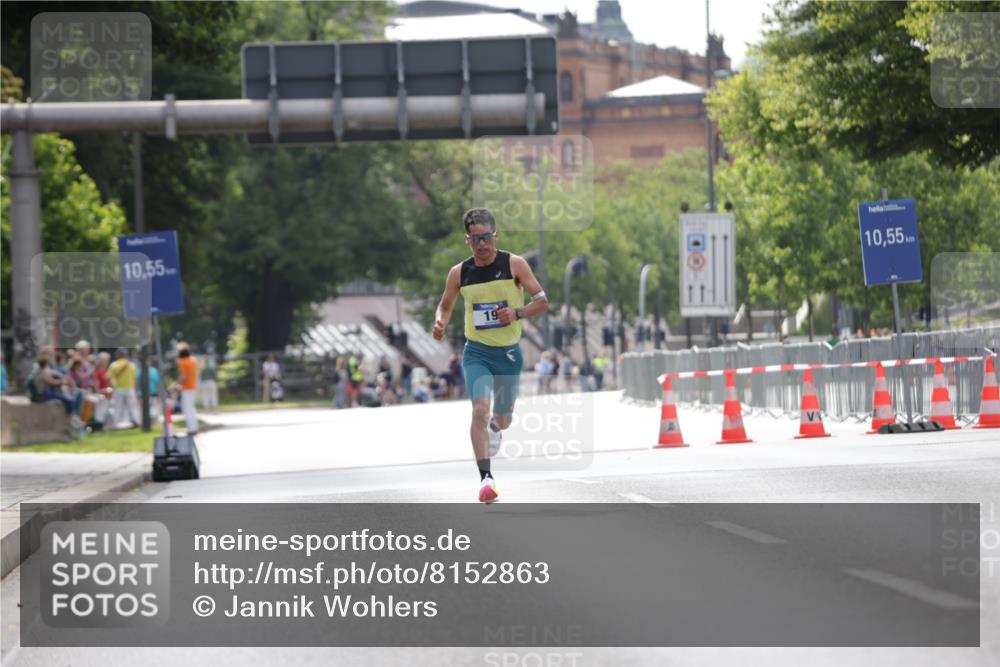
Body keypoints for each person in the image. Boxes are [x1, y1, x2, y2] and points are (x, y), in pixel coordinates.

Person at [432, 207, 549, 504]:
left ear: (495, 236)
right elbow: (445, 305)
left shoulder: (514, 265)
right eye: (475, 239)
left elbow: (542, 300)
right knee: (479, 410)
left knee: (503, 418)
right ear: (467, 240)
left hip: (508, 353)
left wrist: (517, 313)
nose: (482, 244)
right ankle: (486, 479)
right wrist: (440, 323)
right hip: (477, 352)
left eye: (486, 237)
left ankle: (498, 428)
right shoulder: (460, 273)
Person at [108, 348, 140, 428]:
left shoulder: (113, 365)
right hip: (130, 388)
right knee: (132, 407)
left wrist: (114, 386)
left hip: (118, 388)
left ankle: (116, 424)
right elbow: (134, 378)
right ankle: (136, 421)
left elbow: (110, 377)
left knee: (117, 407)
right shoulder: (131, 365)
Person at [173, 343, 199, 435]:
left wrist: (176, 384)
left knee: (187, 408)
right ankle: (194, 427)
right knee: (191, 408)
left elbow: (183, 375)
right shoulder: (193, 360)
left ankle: (191, 429)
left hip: (187, 387)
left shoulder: (182, 361)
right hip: (193, 386)